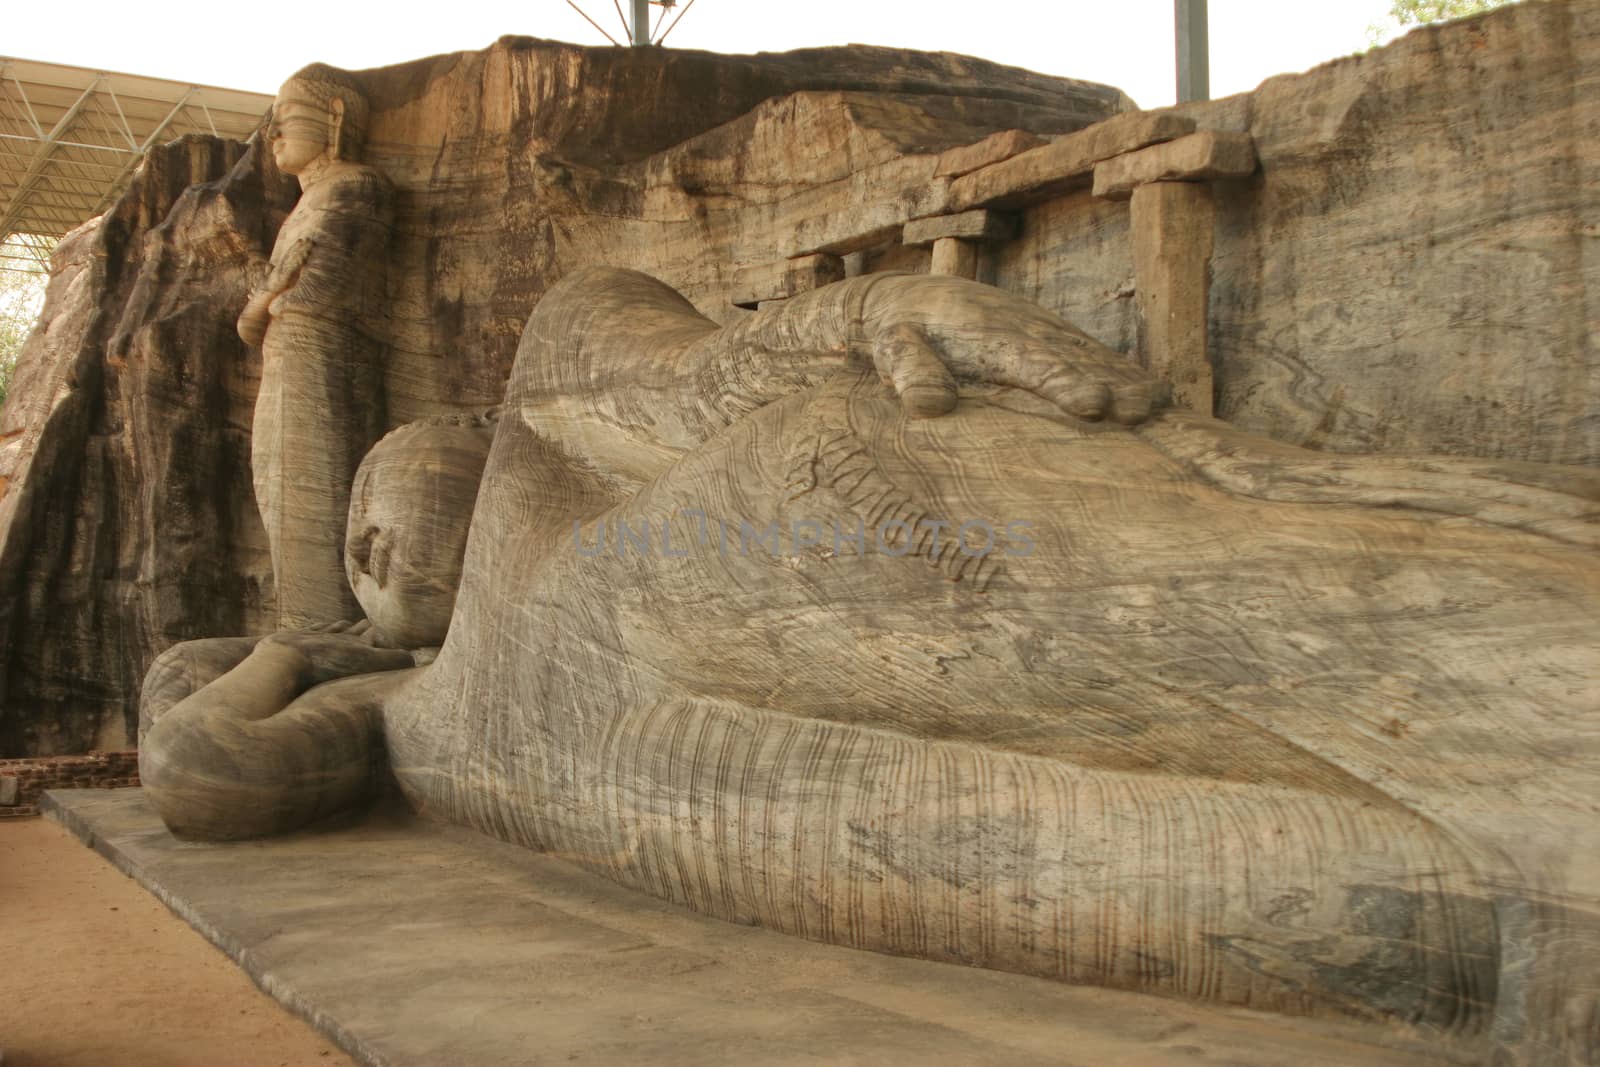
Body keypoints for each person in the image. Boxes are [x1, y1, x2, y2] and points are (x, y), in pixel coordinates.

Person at [149, 269, 1598, 1060]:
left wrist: (864, 312)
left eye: (376, 512)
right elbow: (206, 771)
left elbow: (693, 370)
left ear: (465, 453)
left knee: (1377, 629)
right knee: (1388, 874)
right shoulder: (419, 717)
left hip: (817, 525)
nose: (378, 551)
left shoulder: (546, 420)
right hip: (764, 762)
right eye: (358, 555)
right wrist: (292, 648)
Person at [238, 63, 394, 628]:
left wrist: (271, 296)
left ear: (336, 117)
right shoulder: (307, 202)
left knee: (318, 505)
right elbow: (254, 318)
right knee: (278, 502)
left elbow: (313, 294)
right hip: (285, 360)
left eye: (287, 120)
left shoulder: (358, 186)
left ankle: (323, 631)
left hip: (324, 358)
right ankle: (299, 628)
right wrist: (268, 298)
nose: (273, 136)